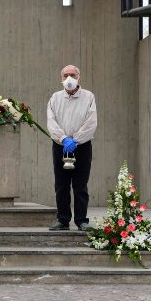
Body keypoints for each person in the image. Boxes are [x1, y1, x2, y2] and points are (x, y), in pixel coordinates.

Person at [46, 65, 98, 231]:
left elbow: (91, 122)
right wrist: (62, 138)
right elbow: (51, 121)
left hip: (81, 146)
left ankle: (82, 220)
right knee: (61, 184)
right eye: (66, 75)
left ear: (78, 78)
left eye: (72, 75)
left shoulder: (88, 97)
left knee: (80, 184)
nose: (69, 78)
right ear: (61, 79)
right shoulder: (55, 98)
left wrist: (75, 140)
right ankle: (63, 219)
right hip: (61, 146)